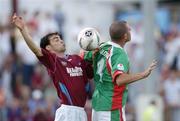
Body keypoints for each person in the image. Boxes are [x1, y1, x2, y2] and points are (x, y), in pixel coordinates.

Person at [12, 14, 93, 121]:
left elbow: (90, 75)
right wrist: (23, 30)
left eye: (60, 38)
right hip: (67, 112)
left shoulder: (77, 59)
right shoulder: (53, 61)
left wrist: (92, 55)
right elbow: (36, 50)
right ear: (48, 48)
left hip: (82, 112)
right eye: (55, 39)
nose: (60, 40)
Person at [83, 21, 157, 121]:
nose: (131, 30)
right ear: (125, 36)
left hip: (97, 106)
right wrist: (143, 74)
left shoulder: (102, 46)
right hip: (111, 108)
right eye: (129, 29)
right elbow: (119, 79)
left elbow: (83, 56)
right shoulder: (119, 54)